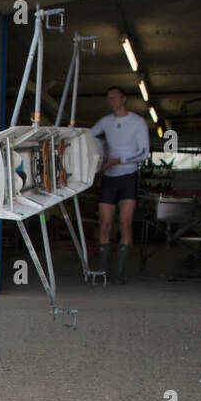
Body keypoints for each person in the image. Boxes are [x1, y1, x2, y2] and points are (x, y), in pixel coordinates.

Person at [90, 86, 151, 283]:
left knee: (125, 223)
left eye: (115, 97)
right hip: (109, 177)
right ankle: (103, 271)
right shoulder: (105, 122)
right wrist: (101, 150)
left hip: (128, 177)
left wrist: (119, 160)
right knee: (105, 224)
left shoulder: (137, 122)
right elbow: (88, 136)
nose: (111, 100)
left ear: (124, 99)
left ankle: (120, 273)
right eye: (109, 97)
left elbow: (143, 153)